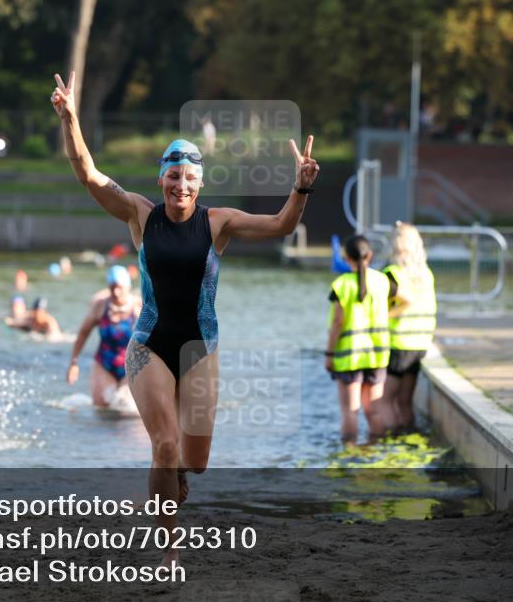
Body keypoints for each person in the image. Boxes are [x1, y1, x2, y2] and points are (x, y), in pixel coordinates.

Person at [51, 71, 319, 565]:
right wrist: (70, 119)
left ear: (200, 184)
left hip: (201, 347)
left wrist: (299, 188)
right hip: (149, 344)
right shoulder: (138, 214)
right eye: (173, 176)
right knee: (166, 445)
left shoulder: (219, 223)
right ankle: (168, 541)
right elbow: (88, 173)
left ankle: (171, 476)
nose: (180, 185)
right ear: (161, 178)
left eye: (189, 178)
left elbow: (282, 225)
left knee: (193, 461)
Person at [325, 235, 391, 445]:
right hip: (377, 356)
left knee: (350, 412)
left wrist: (329, 354)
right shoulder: (382, 281)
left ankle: (350, 456)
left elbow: (337, 322)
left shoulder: (341, 285)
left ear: (345, 258)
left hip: (349, 357)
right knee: (373, 411)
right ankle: (376, 451)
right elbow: (401, 300)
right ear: (370, 255)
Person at [379, 223, 437, 431]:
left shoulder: (393, 274)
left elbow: (406, 300)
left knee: (384, 401)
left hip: (399, 344)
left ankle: (389, 443)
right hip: (420, 344)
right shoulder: (425, 274)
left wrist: (382, 317)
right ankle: (409, 440)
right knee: (404, 402)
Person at [66, 265, 142, 410]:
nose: (116, 292)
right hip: (104, 364)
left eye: (119, 287)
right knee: (102, 411)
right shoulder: (100, 306)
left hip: (133, 367)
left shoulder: (139, 306)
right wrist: (74, 362)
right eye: (112, 287)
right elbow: (83, 333)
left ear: (128, 286)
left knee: (129, 413)